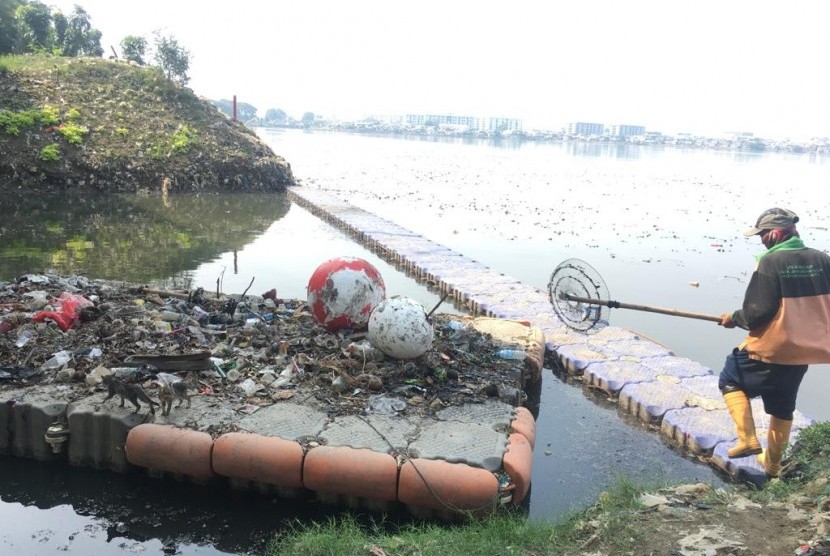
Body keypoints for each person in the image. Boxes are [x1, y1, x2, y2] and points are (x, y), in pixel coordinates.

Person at [719, 207, 830, 477]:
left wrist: (735, 317)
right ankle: (773, 467)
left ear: (777, 233)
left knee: (730, 377)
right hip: (807, 348)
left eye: (763, 234)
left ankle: (746, 439)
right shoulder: (823, 259)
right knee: (783, 405)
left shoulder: (771, 262)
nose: (761, 240)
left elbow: (758, 311)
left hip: (775, 346)